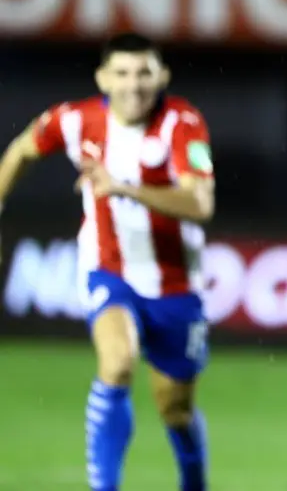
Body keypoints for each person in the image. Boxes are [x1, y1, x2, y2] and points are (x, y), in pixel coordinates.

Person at [0, 33, 215, 491]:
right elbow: (21, 150)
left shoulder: (183, 124)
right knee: (117, 363)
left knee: (174, 408)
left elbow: (200, 204)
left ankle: (194, 482)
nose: (133, 85)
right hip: (108, 268)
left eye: (143, 73)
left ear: (162, 77)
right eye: (121, 73)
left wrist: (124, 188)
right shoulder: (76, 120)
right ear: (103, 78)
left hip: (177, 284)